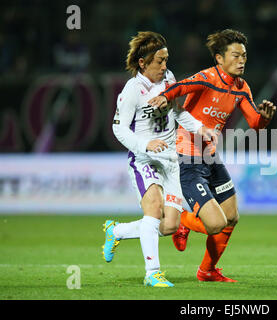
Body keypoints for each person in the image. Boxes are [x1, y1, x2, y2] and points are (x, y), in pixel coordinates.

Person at [149, 29, 277, 282]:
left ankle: (207, 271)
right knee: (216, 224)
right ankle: (184, 221)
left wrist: (264, 118)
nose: (242, 60)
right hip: (187, 157)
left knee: (231, 217)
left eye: (244, 56)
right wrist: (164, 96)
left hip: (210, 157)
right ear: (219, 58)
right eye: (236, 55)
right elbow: (181, 86)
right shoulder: (207, 77)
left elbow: (255, 124)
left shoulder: (242, 88)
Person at [102, 31, 216, 287]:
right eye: (159, 61)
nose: (164, 66)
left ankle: (116, 231)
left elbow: (178, 111)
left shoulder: (169, 79)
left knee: (168, 227)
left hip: (170, 161)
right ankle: (152, 272)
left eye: (166, 60)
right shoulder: (132, 89)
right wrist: (145, 144)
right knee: (153, 208)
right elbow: (118, 128)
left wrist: (200, 128)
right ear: (143, 63)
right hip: (144, 159)